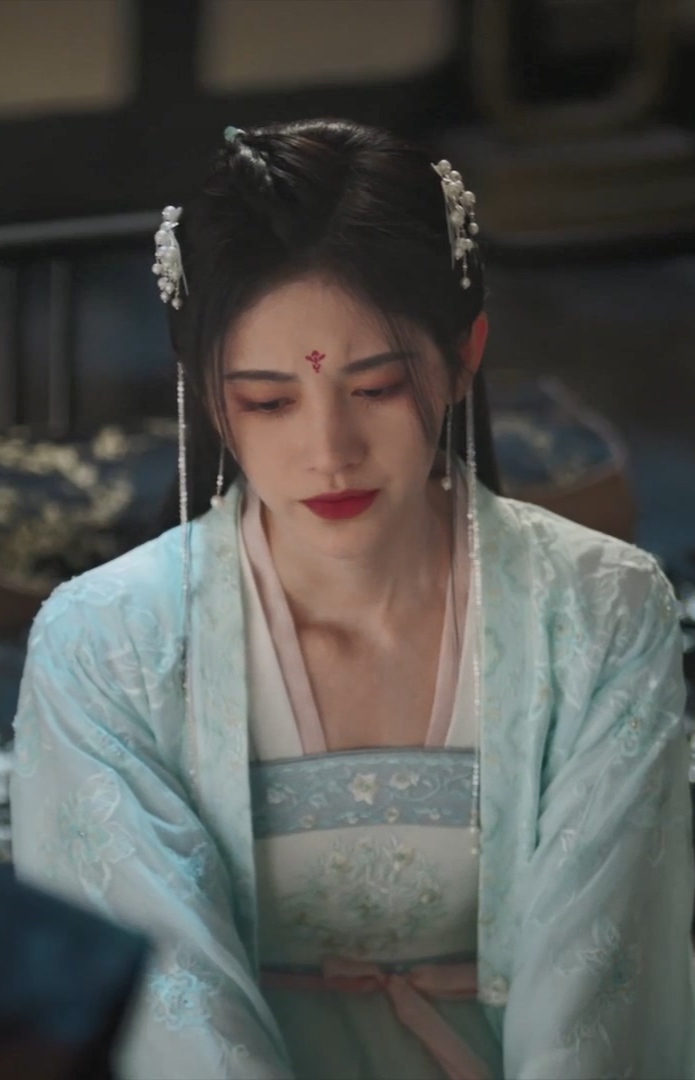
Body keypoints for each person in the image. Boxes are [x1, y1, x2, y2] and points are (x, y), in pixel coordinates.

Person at [8, 118, 695, 1080]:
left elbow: (599, 978)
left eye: (374, 389)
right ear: (207, 394)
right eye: (269, 401)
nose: (328, 451)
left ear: (464, 355)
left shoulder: (599, 610)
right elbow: (173, 1002)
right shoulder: (107, 640)